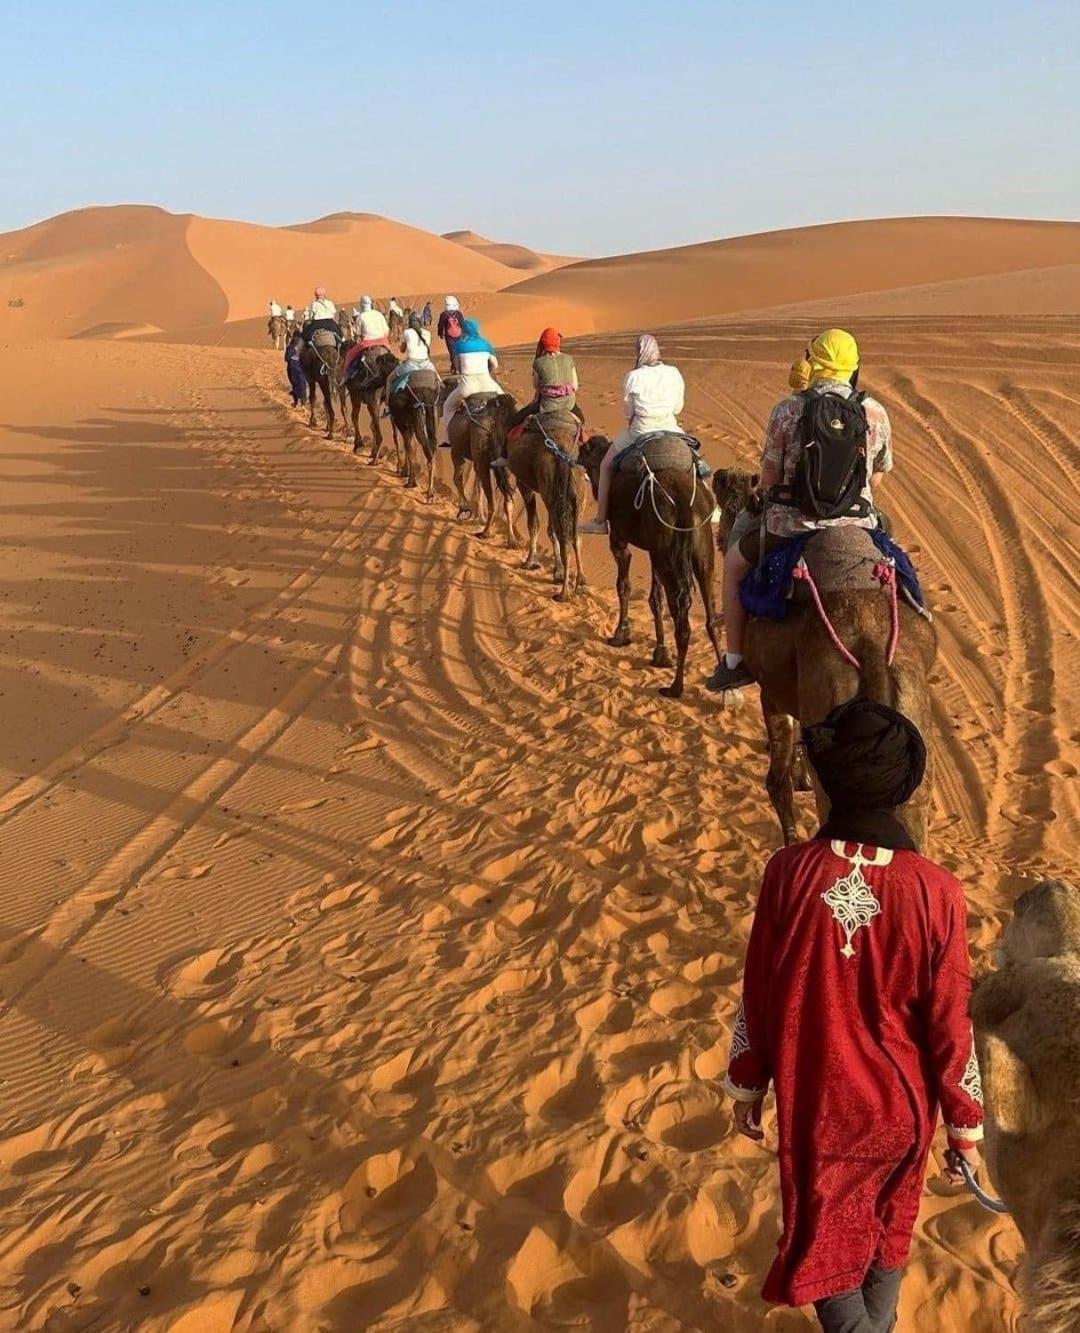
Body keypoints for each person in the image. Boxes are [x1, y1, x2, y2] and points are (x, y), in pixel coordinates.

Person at [725, 699, 984, 1332]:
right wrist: (964, 1127)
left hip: (818, 1107)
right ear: (904, 784)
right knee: (887, 1228)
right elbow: (952, 1019)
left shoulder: (787, 873)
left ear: (825, 777)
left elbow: (758, 989)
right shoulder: (936, 888)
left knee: (824, 1240)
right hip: (904, 1106)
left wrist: (747, 1082)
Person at [706, 328, 893, 691]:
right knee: (891, 555)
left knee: (733, 566)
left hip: (791, 525)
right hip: (857, 522)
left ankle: (734, 661)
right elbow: (879, 474)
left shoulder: (788, 409)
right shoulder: (874, 412)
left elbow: (772, 476)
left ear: (814, 362)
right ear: (853, 366)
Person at [579, 333, 685, 535]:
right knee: (695, 459)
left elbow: (628, 414)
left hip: (640, 431)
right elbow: (678, 408)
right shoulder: (674, 373)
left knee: (605, 465)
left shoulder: (633, 377)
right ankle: (712, 506)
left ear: (639, 352)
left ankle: (601, 520)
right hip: (671, 428)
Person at [437, 318, 504, 444]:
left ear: (464, 330)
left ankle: (447, 439)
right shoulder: (486, 344)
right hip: (488, 384)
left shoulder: (459, 345)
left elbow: (457, 367)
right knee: (508, 401)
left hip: (467, 387)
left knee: (448, 407)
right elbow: (495, 365)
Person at [508, 328, 583, 434]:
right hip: (569, 404)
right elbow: (575, 386)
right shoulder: (569, 359)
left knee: (516, 419)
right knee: (582, 421)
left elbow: (535, 385)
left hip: (547, 405)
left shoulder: (539, 362)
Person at [387, 312, 437, 396]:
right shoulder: (428, 333)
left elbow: (402, 350)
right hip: (427, 365)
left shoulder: (407, 332)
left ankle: (387, 407)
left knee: (389, 379)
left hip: (410, 365)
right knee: (439, 382)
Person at [341, 296, 391, 376]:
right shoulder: (379, 314)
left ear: (361, 305)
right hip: (383, 343)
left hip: (367, 345)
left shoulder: (361, 317)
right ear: (371, 304)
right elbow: (386, 331)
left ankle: (347, 376)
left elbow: (357, 334)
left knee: (349, 355)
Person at [437, 296, 466, 371]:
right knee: (458, 350)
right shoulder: (458, 313)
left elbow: (440, 325)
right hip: (459, 335)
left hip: (449, 336)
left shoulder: (444, 314)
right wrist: (464, 333)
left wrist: (440, 334)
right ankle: (457, 367)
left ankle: (455, 367)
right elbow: (462, 324)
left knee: (452, 351)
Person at [284, 329, 308, 407]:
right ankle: (303, 402)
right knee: (302, 385)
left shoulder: (290, 347)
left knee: (295, 385)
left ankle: (296, 402)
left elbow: (286, 359)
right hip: (301, 369)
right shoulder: (303, 347)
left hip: (291, 369)